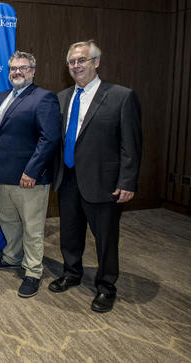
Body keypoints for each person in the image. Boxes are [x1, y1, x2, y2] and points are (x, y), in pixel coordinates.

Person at [50, 40, 142, 313]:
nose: (76, 66)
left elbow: (131, 145)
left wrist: (127, 181)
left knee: (105, 238)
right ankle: (72, 272)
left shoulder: (121, 97)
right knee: (70, 233)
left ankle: (106, 286)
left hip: (104, 183)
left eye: (82, 60)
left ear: (96, 62)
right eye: (72, 62)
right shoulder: (61, 97)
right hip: (67, 179)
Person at [0, 51, 61, 298]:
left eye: (23, 68)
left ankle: (33, 272)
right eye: (13, 68)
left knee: (32, 227)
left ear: (33, 70)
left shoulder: (44, 98)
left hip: (29, 178)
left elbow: (49, 138)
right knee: (9, 222)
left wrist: (32, 170)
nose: (17, 72)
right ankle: (12, 257)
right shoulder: (1, 97)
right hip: (3, 175)